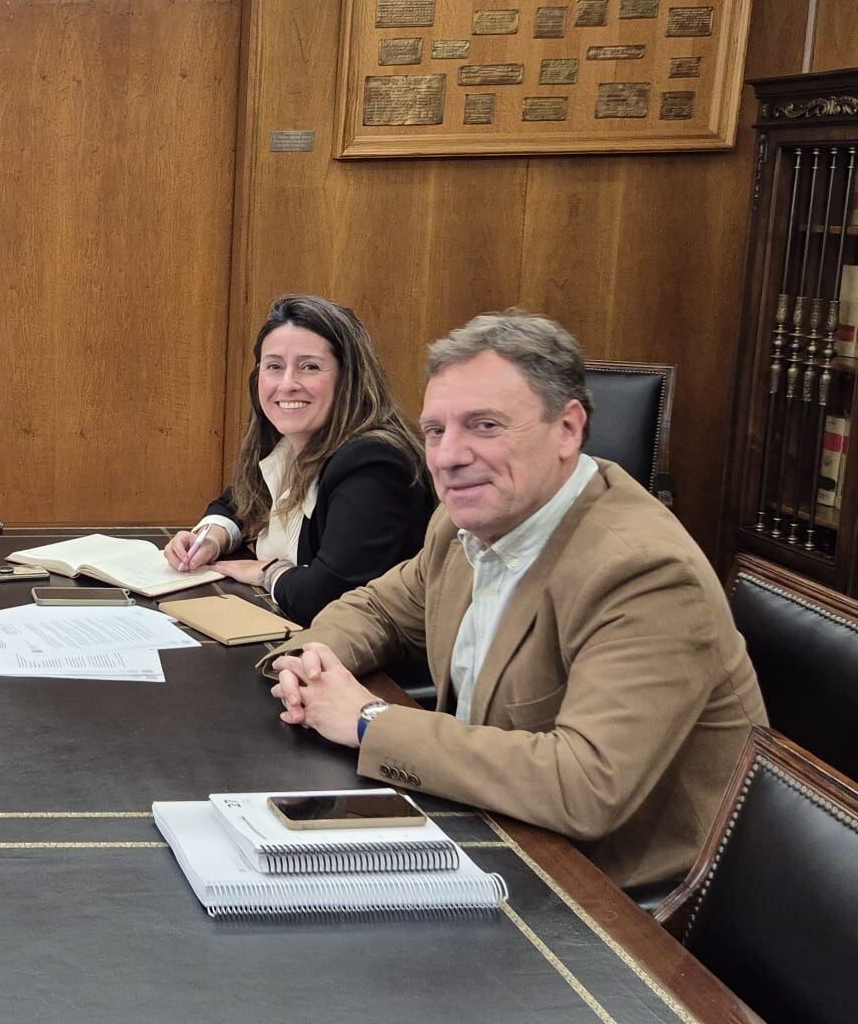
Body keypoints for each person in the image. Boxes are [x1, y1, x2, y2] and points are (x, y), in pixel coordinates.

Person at [265, 311, 767, 890]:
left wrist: (367, 720)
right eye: (435, 431)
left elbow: (584, 786)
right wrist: (310, 665)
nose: (448, 457)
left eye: (484, 426)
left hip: (611, 893)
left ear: (568, 429)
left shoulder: (643, 572)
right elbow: (377, 609)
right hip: (491, 826)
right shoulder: (465, 522)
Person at [163, 295, 430, 624]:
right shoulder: (293, 444)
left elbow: (327, 596)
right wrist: (210, 538)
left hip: (365, 655)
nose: (287, 384)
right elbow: (239, 502)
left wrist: (267, 572)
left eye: (310, 367)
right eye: (274, 366)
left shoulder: (375, 464)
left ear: (348, 378)